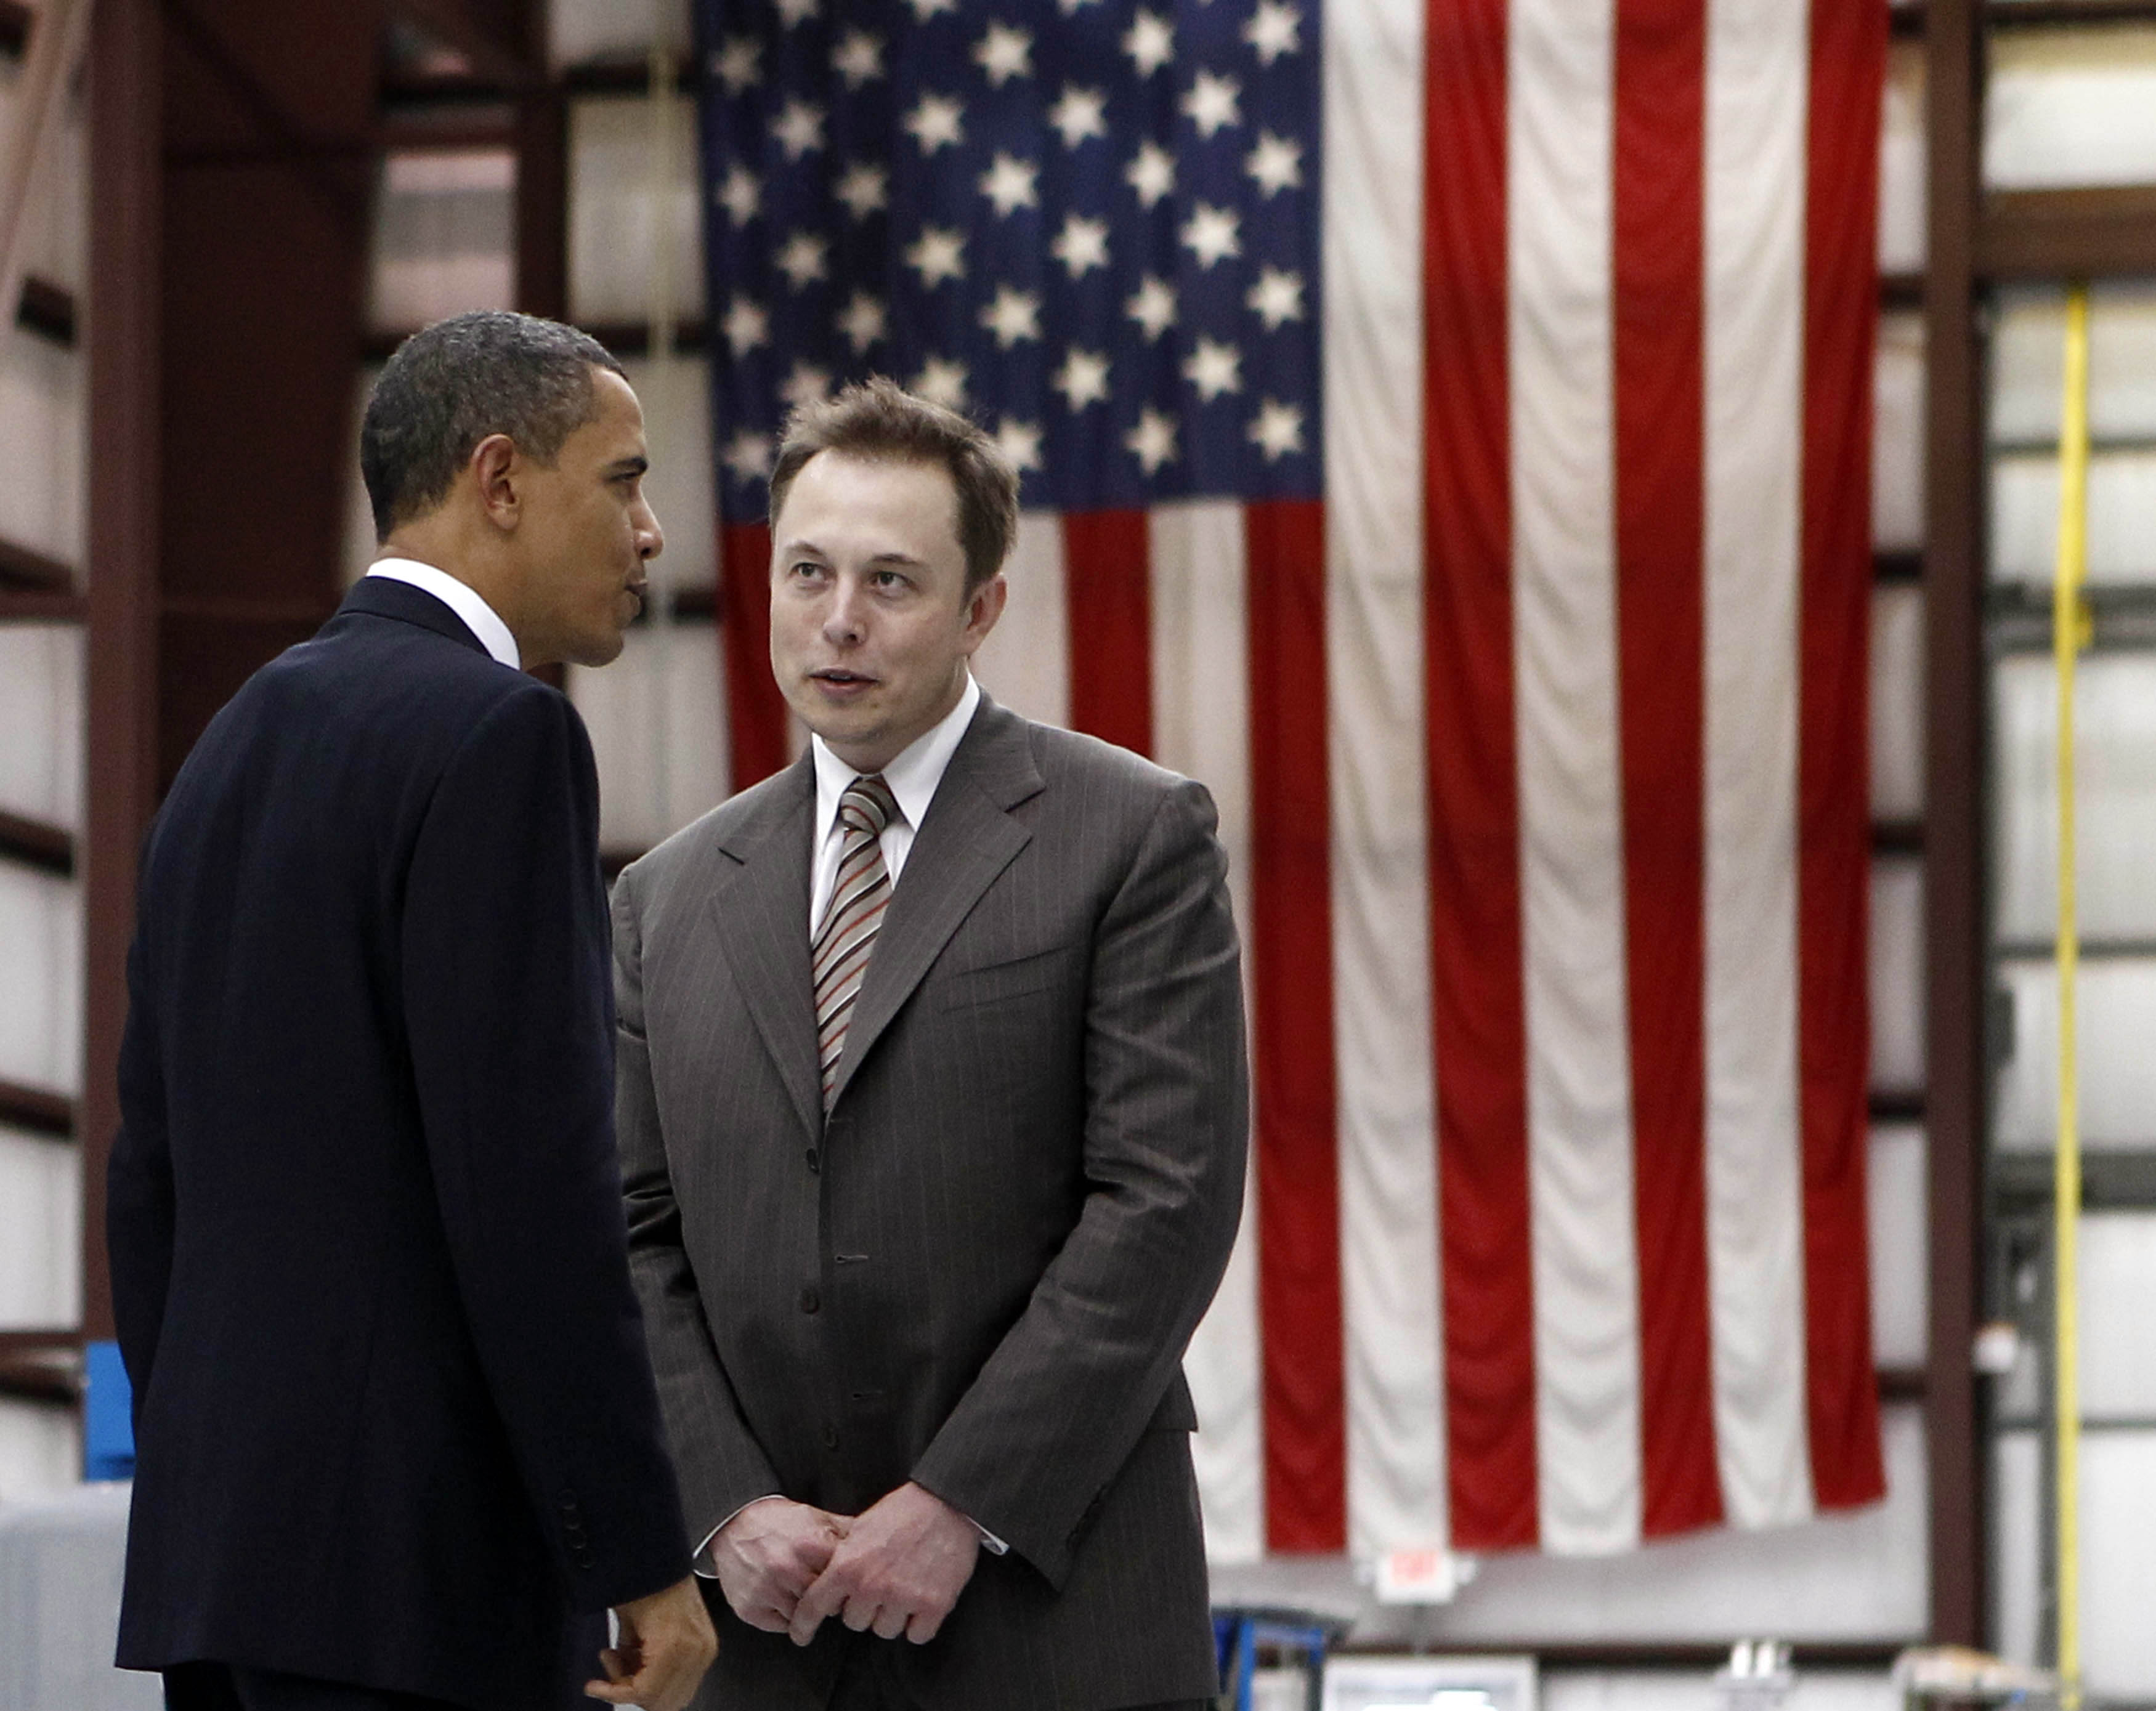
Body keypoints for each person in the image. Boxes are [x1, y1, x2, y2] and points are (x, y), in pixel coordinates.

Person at [107, 310, 718, 1711]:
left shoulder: (226, 748)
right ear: (500, 481)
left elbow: (148, 1188)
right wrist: (629, 1549)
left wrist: (232, 1467)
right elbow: (531, 1192)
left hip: (229, 1577)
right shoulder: (497, 739)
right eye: (623, 479)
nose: (651, 534)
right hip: (417, 1593)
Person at [611, 378, 1248, 1711]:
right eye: (808, 571)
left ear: (981, 610)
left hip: (1050, 1608)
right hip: (769, 1629)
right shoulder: (662, 899)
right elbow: (632, 1234)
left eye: (892, 581)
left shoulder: (1129, 836)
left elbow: (1164, 1202)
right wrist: (723, 1505)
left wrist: (961, 1502)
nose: (839, 619)